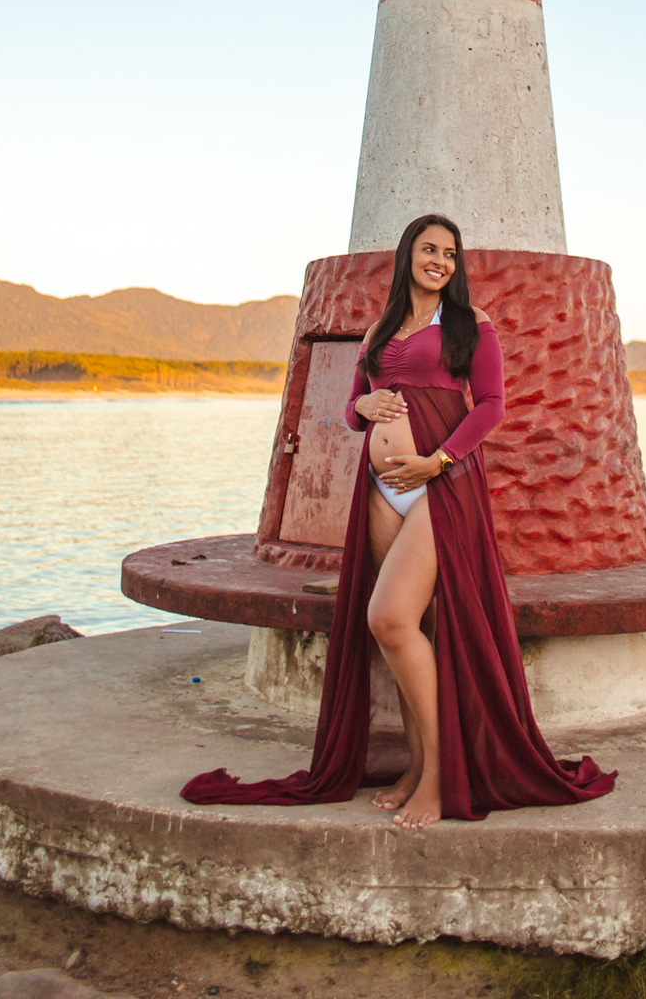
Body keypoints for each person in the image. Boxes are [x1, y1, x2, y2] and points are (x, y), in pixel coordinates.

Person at [181, 213, 616, 826]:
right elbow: (357, 408)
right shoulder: (383, 327)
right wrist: (360, 403)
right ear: (409, 253)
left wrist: (438, 461)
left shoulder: (471, 325)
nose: (439, 260)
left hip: (440, 486)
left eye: (449, 253)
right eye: (429, 248)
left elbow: (491, 406)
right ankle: (417, 764)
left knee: (387, 619)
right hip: (382, 490)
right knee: (417, 629)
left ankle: (440, 779)